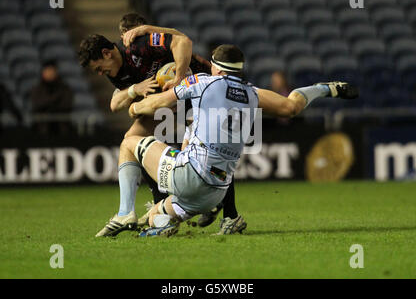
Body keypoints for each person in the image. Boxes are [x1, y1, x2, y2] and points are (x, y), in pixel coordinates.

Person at [100, 44, 358, 237]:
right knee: (154, 215)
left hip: (190, 175)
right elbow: (292, 106)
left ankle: (124, 213)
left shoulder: (202, 82)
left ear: (215, 67)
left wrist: (135, 108)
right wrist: (326, 89)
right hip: (215, 192)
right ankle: (162, 222)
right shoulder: (253, 94)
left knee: (129, 142)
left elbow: (157, 104)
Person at [117, 14, 246, 234]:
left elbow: (182, 40)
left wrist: (176, 78)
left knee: (208, 152)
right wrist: (134, 91)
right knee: (198, 152)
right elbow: (114, 102)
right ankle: (194, 202)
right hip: (183, 101)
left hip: (199, 95)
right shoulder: (136, 60)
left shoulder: (150, 44)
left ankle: (225, 211)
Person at [31, 60, 73, 136]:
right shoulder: (37, 89)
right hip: (42, 130)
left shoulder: (64, 88)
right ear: (42, 72)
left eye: (52, 70)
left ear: (56, 72)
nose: (50, 73)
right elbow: (37, 105)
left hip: (62, 130)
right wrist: (54, 100)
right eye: (47, 70)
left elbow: (67, 105)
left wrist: (48, 105)